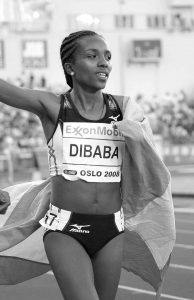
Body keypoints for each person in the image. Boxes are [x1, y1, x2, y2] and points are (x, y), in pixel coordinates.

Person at [0, 30, 175, 300]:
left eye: (107, 57)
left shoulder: (124, 108)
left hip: (112, 231)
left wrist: (136, 133)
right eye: (92, 56)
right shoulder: (54, 107)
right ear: (70, 67)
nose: (103, 63)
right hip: (65, 229)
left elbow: (150, 162)